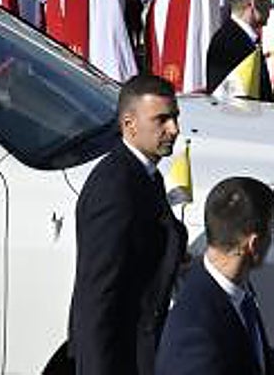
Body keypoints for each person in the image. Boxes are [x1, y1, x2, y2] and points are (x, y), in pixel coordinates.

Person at [67, 73, 188, 375]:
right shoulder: (115, 187)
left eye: (174, 117)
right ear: (129, 124)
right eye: (161, 120)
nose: (174, 129)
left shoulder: (145, 173)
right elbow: (97, 294)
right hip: (122, 356)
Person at [155, 175, 274, 375]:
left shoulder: (238, 291)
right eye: (271, 230)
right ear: (253, 244)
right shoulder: (196, 339)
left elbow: (254, 357)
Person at [205, 0, 273, 100]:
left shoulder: (240, 38)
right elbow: (230, 99)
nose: (271, 6)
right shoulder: (228, 44)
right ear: (253, 2)